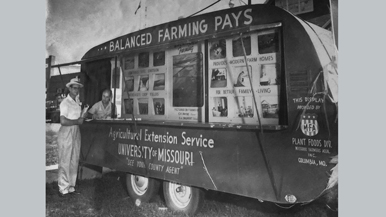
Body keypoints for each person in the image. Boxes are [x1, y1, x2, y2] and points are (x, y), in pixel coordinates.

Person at [57, 77, 88, 197]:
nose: (76, 90)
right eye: (74, 88)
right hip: (66, 132)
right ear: (69, 88)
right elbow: (63, 121)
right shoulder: (65, 103)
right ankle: (63, 188)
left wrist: (84, 113)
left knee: (74, 159)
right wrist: (78, 121)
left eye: (78, 88)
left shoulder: (77, 102)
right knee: (65, 160)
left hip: (76, 131)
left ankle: (71, 186)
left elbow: (80, 118)